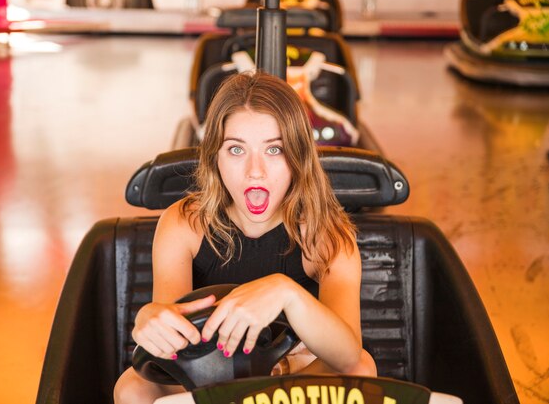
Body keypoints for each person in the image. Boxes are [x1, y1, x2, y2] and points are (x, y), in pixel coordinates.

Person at [114, 71, 377, 404]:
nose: (256, 170)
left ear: (298, 157)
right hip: (208, 379)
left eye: (274, 150)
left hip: (295, 382)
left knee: (363, 369)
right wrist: (149, 318)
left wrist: (286, 294)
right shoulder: (184, 224)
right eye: (237, 150)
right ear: (215, 158)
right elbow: (172, 353)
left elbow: (350, 356)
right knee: (132, 387)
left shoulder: (326, 235)